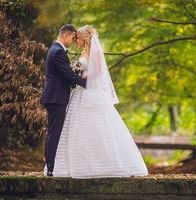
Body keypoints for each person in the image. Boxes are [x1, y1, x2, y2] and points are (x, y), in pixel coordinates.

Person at [50, 25, 148, 178]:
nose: (76, 41)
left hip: (92, 92)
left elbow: (99, 74)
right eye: (75, 39)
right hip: (80, 92)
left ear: (85, 38)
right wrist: (78, 73)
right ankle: (73, 164)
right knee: (77, 127)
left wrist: (86, 78)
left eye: (78, 39)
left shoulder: (96, 52)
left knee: (97, 125)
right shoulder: (83, 53)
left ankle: (103, 164)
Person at [41, 24, 87, 177]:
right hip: (56, 98)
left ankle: (51, 167)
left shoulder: (55, 50)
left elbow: (64, 75)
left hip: (55, 97)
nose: (74, 41)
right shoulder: (58, 52)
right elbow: (68, 74)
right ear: (65, 35)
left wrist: (78, 80)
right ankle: (51, 168)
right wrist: (88, 83)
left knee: (53, 133)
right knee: (54, 133)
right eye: (73, 38)